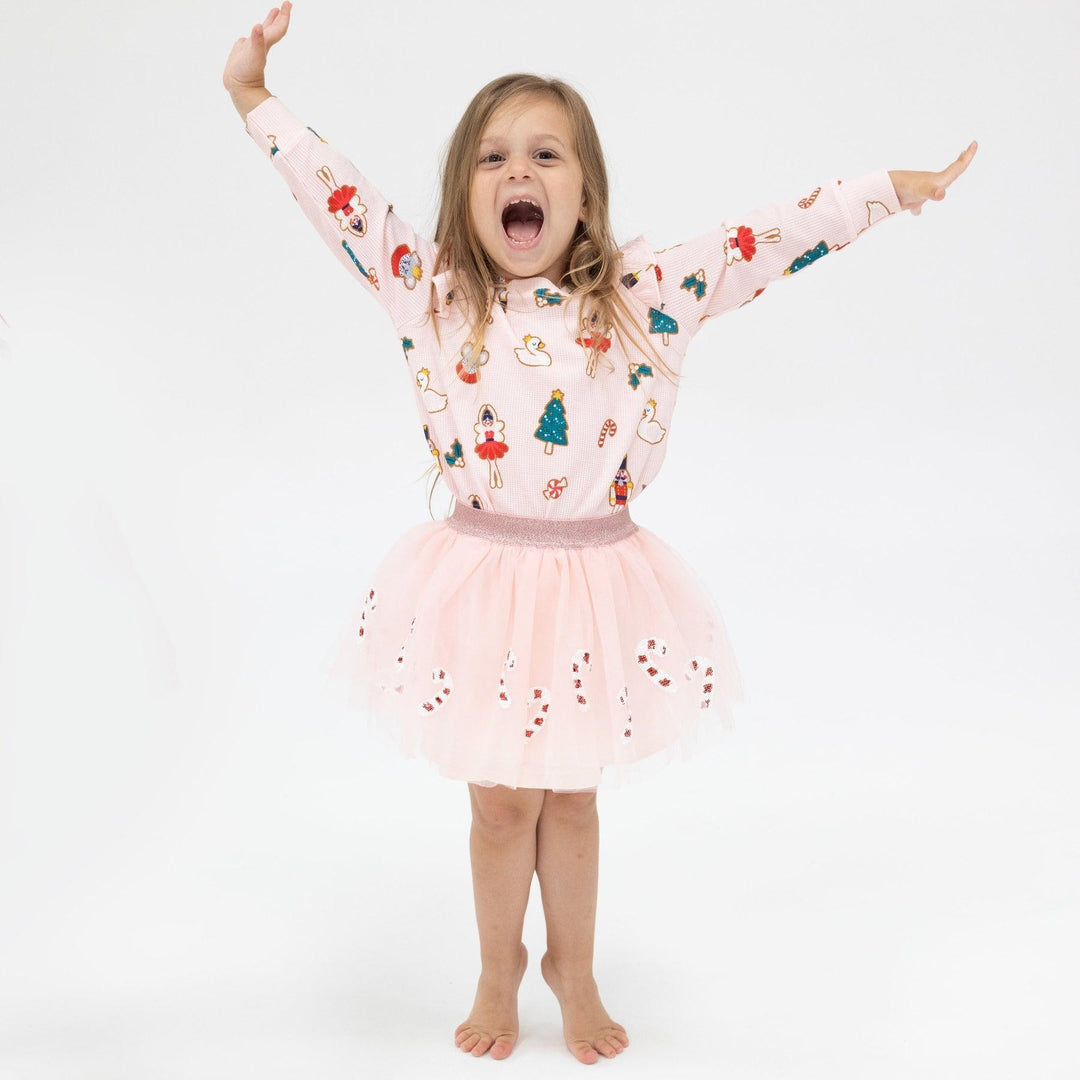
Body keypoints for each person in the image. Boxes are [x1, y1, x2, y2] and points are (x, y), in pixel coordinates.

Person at [223, 2, 976, 1064]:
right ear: (462, 194)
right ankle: (500, 966)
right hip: (480, 580)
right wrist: (253, 96)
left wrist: (887, 194)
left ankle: (573, 965)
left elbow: (766, 237)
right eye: (491, 158)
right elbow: (336, 197)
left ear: (584, 194)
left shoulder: (641, 292)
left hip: (596, 580)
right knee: (498, 807)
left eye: (543, 154)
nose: (515, 172)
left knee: (569, 803)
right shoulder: (430, 291)